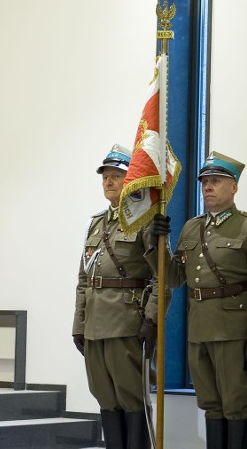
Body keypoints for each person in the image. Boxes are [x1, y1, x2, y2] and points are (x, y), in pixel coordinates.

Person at [151, 151, 247, 449]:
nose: (208, 187)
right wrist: (158, 245)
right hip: (200, 328)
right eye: (205, 181)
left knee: (235, 405)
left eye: (216, 181)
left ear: (234, 187)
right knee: (211, 405)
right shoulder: (193, 227)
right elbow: (175, 277)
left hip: (235, 330)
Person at [72, 144, 163, 449]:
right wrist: (79, 324)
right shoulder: (95, 224)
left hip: (127, 323)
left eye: (116, 176)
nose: (109, 181)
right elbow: (85, 279)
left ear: (131, 181)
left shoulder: (145, 221)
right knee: (106, 398)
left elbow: (163, 277)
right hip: (96, 325)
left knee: (131, 398)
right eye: (105, 177)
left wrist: (152, 318)